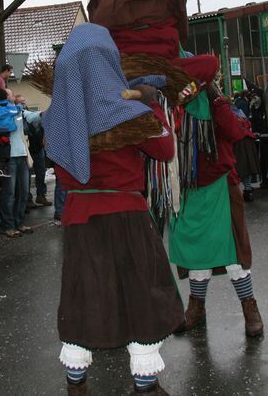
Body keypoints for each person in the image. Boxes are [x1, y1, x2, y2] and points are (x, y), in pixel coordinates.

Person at [45, 23, 184, 396]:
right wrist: (151, 102)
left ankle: (77, 386)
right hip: (127, 215)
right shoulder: (128, 110)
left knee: (83, 298)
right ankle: (145, 386)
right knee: (142, 296)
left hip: (79, 219)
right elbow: (166, 149)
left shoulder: (58, 117)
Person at [170, 62, 265, 339]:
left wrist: (212, 93)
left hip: (221, 186)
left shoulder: (215, 105)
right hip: (188, 189)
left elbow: (236, 133)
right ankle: (196, 308)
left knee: (233, 253)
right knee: (197, 255)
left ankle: (250, 308)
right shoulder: (173, 110)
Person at [0, 90, 42, 238]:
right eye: (9, 94)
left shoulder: (19, 111)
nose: (12, 96)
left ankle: (19, 223)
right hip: (9, 158)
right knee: (9, 194)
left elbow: (33, 116)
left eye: (12, 94)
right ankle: (8, 226)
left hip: (22, 156)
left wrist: (45, 113)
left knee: (23, 193)